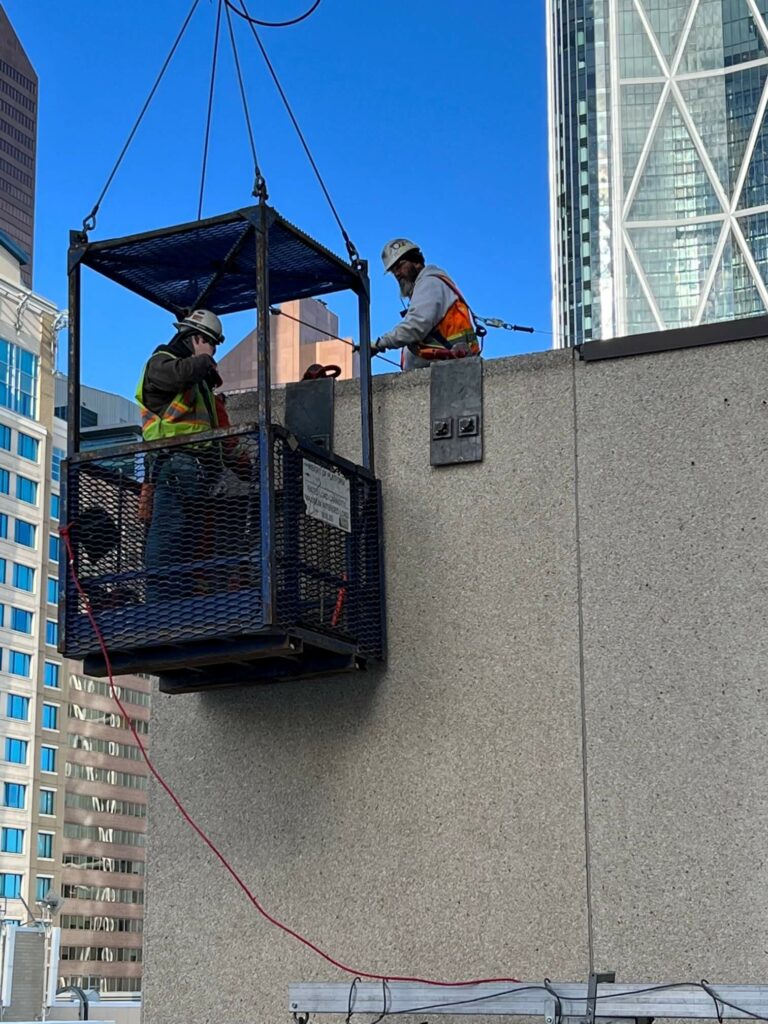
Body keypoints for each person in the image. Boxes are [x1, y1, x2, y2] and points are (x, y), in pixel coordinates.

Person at [135, 309, 225, 601]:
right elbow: (175, 376)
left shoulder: (199, 383)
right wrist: (202, 360)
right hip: (173, 465)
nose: (213, 352)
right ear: (197, 339)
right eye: (212, 344)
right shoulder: (161, 362)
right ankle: (160, 607)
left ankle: (178, 603)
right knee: (166, 540)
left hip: (195, 471)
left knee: (187, 546)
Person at [372, 239, 482, 370]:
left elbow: (415, 326)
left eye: (400, 266)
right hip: (445, 369)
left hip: (449, 370)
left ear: (416, 261)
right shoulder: (426, 285)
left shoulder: (429, 283)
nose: (397, 273)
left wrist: (379, 344)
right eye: (393, 270)